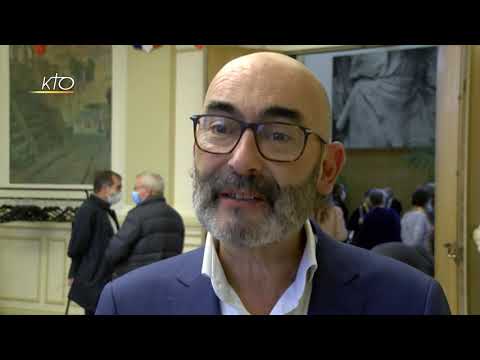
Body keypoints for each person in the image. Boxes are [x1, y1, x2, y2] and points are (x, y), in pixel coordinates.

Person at [96, 52, 450, 315]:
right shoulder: (127, 304)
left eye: (279, 135)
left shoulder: (410, 302)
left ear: (327, 168)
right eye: (220, 128)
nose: (242, 160)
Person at [105, 171, 185, 278]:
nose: (134, 192)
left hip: (138, 280)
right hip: (167, 279)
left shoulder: (137, 215)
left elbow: (115, 251)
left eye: (136, 188)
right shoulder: (176, 217)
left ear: (147, 191)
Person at [67, 170, 122, 315]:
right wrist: (72, 273)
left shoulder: (107, 212)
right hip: (94, 279)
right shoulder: (88, 210)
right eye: (118, 187)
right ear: (105, 188)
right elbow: (76, 247)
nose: (120, 192)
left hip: (107, 278)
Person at [401, 187, 434, 256]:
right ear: (425, 201)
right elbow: (417, 238)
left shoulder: (406, 215)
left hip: (407, 252)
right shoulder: (421, 216)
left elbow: (403, 236)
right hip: (421, 255)